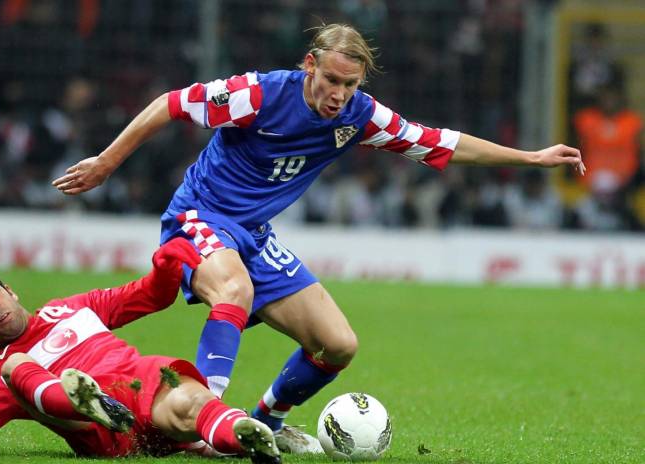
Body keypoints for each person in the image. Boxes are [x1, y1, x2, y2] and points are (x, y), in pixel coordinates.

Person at [52, 23, 585, 453]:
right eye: (331, 80)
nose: (339, 94)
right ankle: (207, 422)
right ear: (310, 65)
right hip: (200, 216)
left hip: (252, 235)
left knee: (338, 344)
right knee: (234, 291)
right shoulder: (258, 94)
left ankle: (268, 421)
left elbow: (438, 142)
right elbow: (170, 103)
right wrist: (106, 163)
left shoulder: (360, 116)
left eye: (350, 85)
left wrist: (530, 157)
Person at [0, 238, 281, 463]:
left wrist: (166, 267)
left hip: (141, 392)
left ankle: (246, 437)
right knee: (15, 364)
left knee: (189, 399)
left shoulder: (72, 307)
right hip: (102, 434)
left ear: (9, 290)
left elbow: (149, 296)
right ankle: (83, 400)